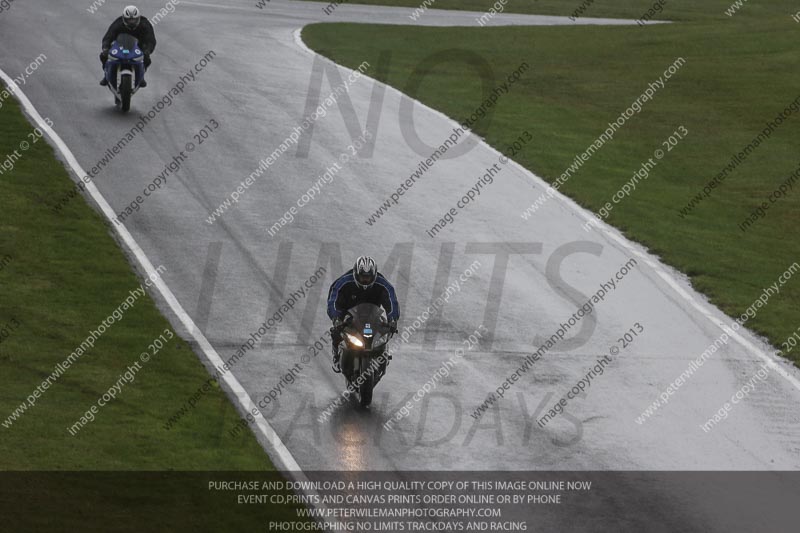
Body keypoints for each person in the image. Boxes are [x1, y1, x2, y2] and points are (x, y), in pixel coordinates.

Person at [327, 256, 399, 373]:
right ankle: (336, 356)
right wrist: (336, 318)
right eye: (362, 277)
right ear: (356, 274)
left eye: (368, 277)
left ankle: (383, 352)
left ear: (374, 275)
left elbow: (391, 301)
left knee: (385, 330)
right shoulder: (343, 282)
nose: (365, 280)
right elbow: (333, 300)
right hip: (349, 314)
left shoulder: (383, 284)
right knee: (336, 332)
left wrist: (393, 319)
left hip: (373, 314)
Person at [99, 6, 157, 87]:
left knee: (147, 59)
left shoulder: (145, 24)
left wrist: (148, 50)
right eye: (129, 20)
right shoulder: (118, 23)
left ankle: (141, 76)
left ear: (138, 18)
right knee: (103, 55)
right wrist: (105, 48)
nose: (131, 22)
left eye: (134, 19)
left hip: (139, 46)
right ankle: (106, 75)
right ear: (124, 18)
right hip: (120, 45)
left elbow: (151, 40)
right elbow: (108, 36)